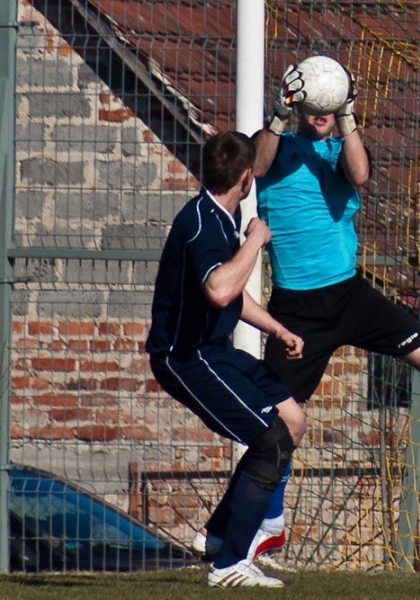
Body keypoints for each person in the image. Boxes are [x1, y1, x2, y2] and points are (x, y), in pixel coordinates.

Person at [195, 62, 420, 567]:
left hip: (352, 296)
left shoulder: (339, 149)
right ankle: (242, 529)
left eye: (328, 112)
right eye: (314, 111)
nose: (321, 120)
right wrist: (279, 115)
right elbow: (259, 166)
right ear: (301, 108)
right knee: (282, 425)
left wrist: (349, 117)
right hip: (298, 310)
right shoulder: (276, 146)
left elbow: (360, 174)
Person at [146, 130, 306, 588]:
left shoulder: (219, 216)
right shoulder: (202, 222)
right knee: (270, 442)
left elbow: (227, 293)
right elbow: (220, 289)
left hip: (215, 351)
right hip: (186, 358)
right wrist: (255, 241)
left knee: (291, 420)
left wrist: (278, 329)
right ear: (246, 178)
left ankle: (217, 537)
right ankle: (230, 564)